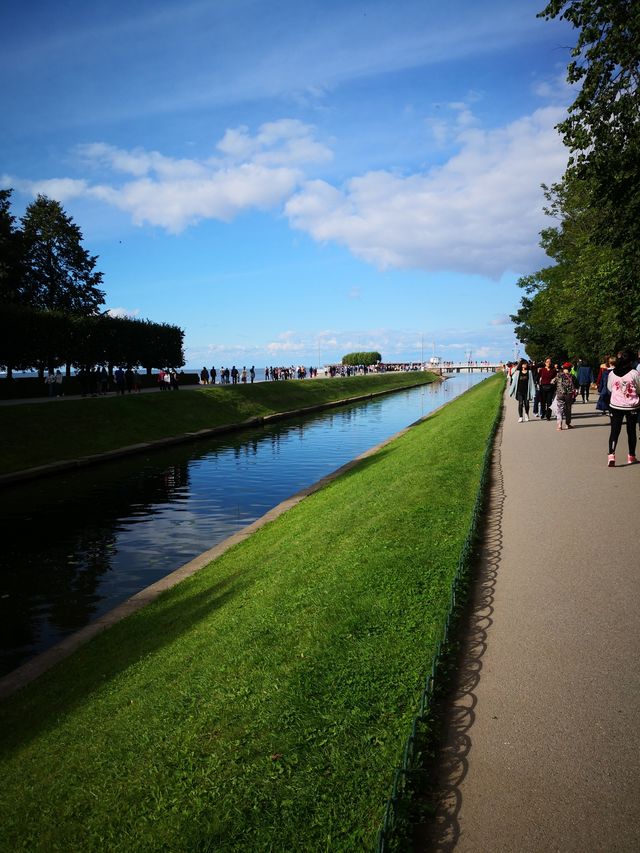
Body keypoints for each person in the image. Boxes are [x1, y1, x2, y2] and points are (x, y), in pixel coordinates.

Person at [606, 349, 640, 466]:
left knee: (615, 431)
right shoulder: (635, 373)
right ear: (631, 361)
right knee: (631, 431)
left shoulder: (612, 373)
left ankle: (611, 455)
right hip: (632, 406)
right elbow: (639, 388)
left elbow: (610, 388)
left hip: (615, 405)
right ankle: (631, 455)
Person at [553, 362, 577, 430]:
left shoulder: (558, 375)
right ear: (569, 369)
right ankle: (568, 424)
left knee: (559, 409)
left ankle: (559, 425)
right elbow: (577, 385)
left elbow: (552, 382)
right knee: (568, 409)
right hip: (569, 395)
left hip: (560, 394)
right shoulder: (572, 376)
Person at [538, 357, 557, 421]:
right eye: (547, 362)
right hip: (543, 387)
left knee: (549, 402)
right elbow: (538, 378)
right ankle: (543, 414)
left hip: (550, 388)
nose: (548, 363)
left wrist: (554, 381)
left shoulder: (553, 370)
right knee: (543, 402)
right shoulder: (541, 370)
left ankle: (548, 416)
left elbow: (556, 378)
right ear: (545, 363)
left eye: (549, 362)